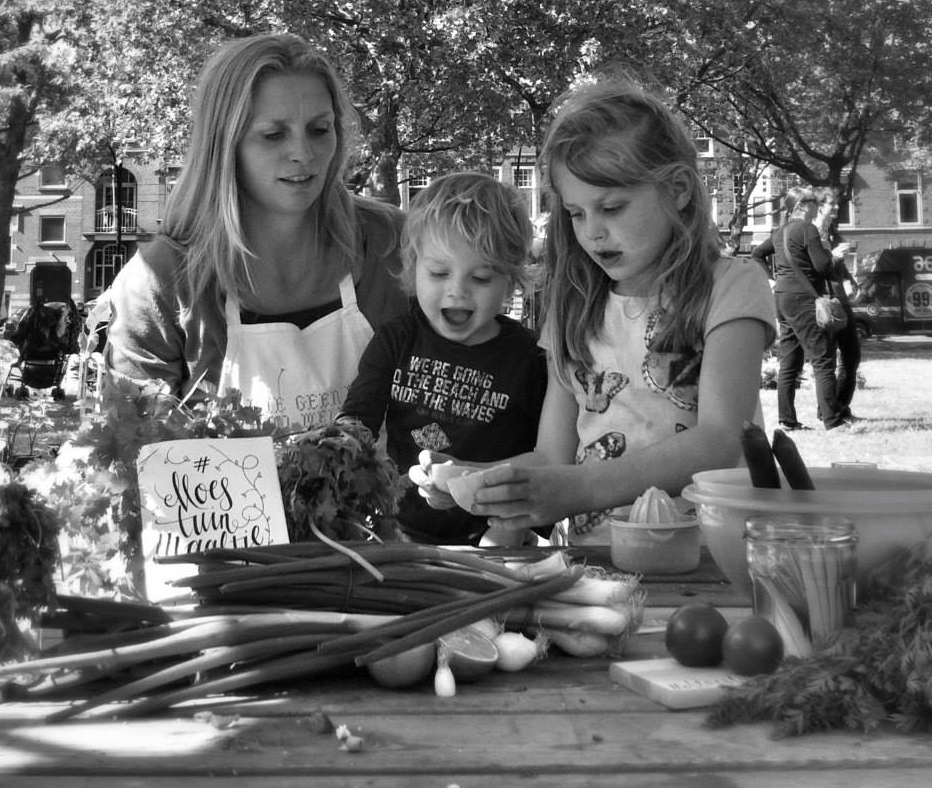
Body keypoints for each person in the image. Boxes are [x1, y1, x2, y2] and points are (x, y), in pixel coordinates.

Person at [412, 78, 776, 540]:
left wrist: (581, 487)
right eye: (577, 213)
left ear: (679, 189)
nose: (592, 233)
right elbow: (551, 459)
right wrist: (478, 478)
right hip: (592, 561)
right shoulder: (575, 307)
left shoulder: (732, 286)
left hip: (707, 554)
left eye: (612, 207)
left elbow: (720, 441)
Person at [102, 33, 408, 427]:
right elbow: (135, 453)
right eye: (273, 135)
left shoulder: (394, 244)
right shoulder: (159, 282)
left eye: (319, 129)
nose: (303, 153)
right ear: (225, 145)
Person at [337, 171, 548, 544]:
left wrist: (507, 521)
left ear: (511, 281)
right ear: (413, 267)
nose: (457, 291)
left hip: (498, 531)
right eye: (438, 272)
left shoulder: (531, 358)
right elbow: (358, 421)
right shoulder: (397, 339)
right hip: (402, 530)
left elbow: (546, 459)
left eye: (481, 278)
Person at [750, 186, 848, 431]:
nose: (817, 208)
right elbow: (822, 267)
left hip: (782, 298)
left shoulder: (779, 231)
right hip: (804, 299)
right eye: (814, 204)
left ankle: (787, 420)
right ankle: (832, 420)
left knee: (790, 360)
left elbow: (756, 254)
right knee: (822, 359)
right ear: (803, 207)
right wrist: (833, 255)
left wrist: (772, 279)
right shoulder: (808, 229)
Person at [814, 189, 861, 422]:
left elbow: (839, 269)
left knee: (852, 356)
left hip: (841, 300)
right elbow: (814, 268)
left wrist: (850, 282)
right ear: (819, 205)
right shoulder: (809, 233)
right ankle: (828, 411)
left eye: (836, 204)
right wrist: (832, 255)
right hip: (824, 302)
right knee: (827, 360)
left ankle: (841, 406)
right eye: (831, 204)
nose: (836, 208)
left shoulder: (833, 233)